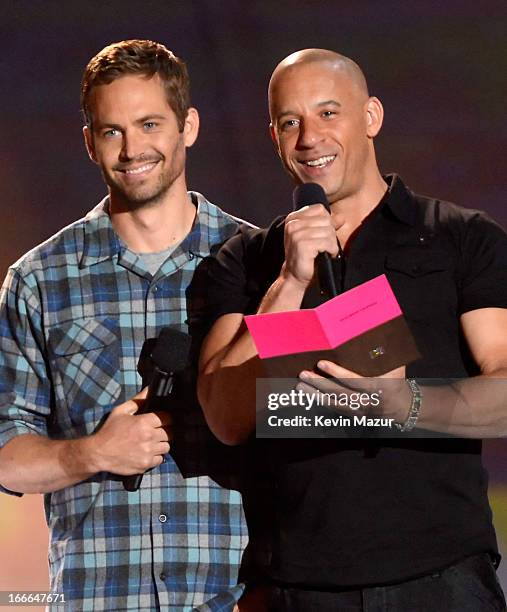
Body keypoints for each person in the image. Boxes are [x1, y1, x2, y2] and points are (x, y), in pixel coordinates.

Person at [198, 49, 507, 610]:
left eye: (328, 113)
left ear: (371, 117)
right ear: (273, 136)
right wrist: (289, 281)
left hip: (441, 578)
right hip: (297, 585)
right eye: (290, 122)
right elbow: (225, 416)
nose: (310, 138)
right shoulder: (246, 261)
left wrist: (406, 404)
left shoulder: (459, 236)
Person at [0, 39, 250, 611]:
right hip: (102, 597)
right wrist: (93, 453)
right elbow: (5, 450)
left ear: (188, 126)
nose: (133, 148)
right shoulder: (40, 280)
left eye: (149, 124)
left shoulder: (260, 262)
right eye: (112, 131)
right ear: (89, 142)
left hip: (238, 598)